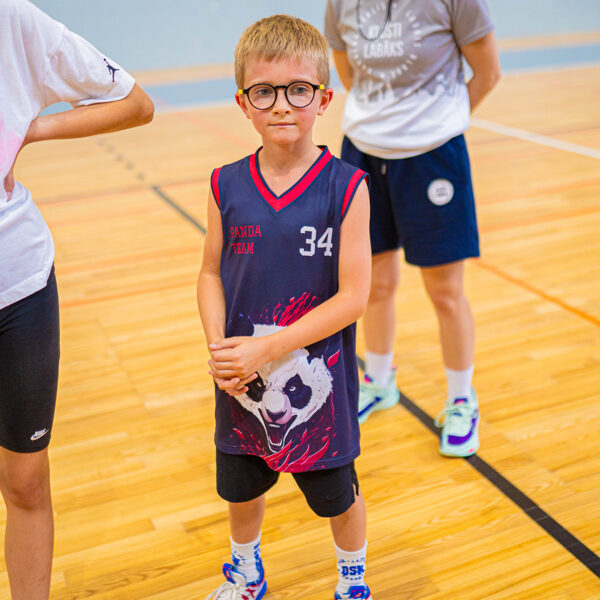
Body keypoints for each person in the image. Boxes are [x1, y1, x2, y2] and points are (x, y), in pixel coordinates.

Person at [197, 14, 373, 600]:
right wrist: (220, 347)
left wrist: (268, 348)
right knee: (241, 488)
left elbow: (354, 297)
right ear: (243, 103)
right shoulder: (225, 185)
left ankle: (352, 581)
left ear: (322, 98)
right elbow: (207, 273)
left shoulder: (346, 187)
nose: (281, 106)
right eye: (264, 92)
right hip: (242, 381)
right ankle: (246, 572)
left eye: (298, 89)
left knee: (338, 496)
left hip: (312, 384)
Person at [0, 1, 154, 598]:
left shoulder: (12, 19)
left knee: (25, 482)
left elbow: (134, 102)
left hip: (20, 287)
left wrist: (28, 128)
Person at [324, 0, 501, 457]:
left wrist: (436, 122)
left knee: (445, 291)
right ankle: (379, 381)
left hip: (434, 156)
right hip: (363, 153)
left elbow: (487, 73)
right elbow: (348, 73)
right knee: (374, 284)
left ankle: (462, 399)